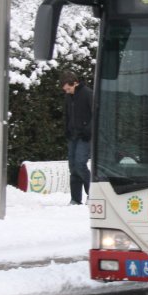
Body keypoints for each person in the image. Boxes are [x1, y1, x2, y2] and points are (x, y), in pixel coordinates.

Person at [61, 71, 93, 205]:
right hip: (72, 135)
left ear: (75, 83)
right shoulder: (69, 96)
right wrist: (66, 130)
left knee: (80, 164)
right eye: (65, 90)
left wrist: (88, 131)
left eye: (68, 89)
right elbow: (67, 114)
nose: (67, 92)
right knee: (73, 166)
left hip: (85, 136)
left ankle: (92, 193)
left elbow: (96, 114)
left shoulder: (87, 93)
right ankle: (75, 198)